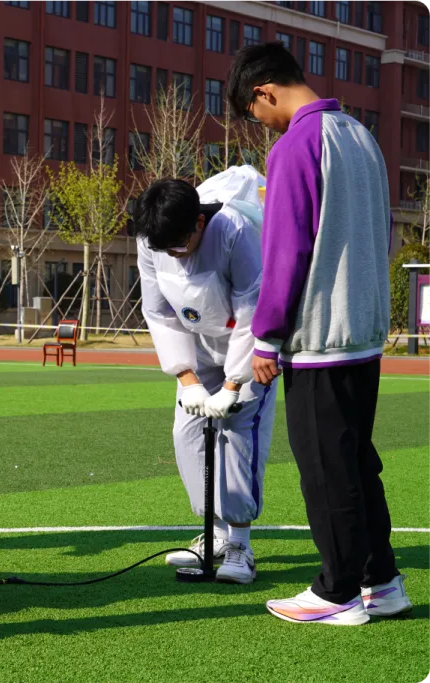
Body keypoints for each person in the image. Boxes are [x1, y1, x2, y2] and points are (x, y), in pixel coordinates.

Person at [227, 42, 411, 624]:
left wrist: (266, 337)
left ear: (264, 91)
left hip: (320, 338)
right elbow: (381, 229)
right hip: (364, 331)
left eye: (254, 112)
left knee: (327, 469)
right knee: (356, 462)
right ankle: (382, 581)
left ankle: (337, 593)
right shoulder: (361, 136)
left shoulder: (296, 145)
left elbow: (286, 248)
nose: (261, 124)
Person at [135, 167, 276, 585]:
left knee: (238, 432)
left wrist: (233, 385)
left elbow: (252, 308)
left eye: (180, 245)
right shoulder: (152, 239)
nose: (175, 255)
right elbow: (159, 312)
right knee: (187, 433)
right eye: (165, 248)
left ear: (199, 223)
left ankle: (241, 545)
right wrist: (187, 379)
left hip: (247, 346)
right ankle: (212, 534)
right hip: (198, 346)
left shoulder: (233, 232)